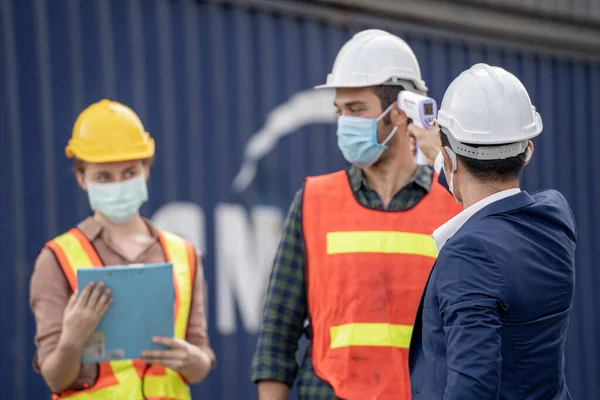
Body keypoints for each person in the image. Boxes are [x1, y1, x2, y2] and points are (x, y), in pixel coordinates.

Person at [251, 29, 462, 400]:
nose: (344, 122)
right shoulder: (313, 201)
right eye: (340, 111)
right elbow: (277, 336)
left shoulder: (452, 209)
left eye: (356, 109)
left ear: (400, 110)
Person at [407, 64, 577, 399]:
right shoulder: (556, 219)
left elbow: (472, 388)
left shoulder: (467, 255)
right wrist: (444, 159)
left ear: (451, 159)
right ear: (528, 151)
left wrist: (448, 158)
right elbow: (492, 203)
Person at [29, 99, 216, 399]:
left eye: (129, 172)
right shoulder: (56, 259)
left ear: (146, 170)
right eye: (104, 176)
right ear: (81, 178)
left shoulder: (184, 254)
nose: (118, 184)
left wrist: (192, 359)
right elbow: (55, 379)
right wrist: (72, 339)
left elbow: (201, 360)